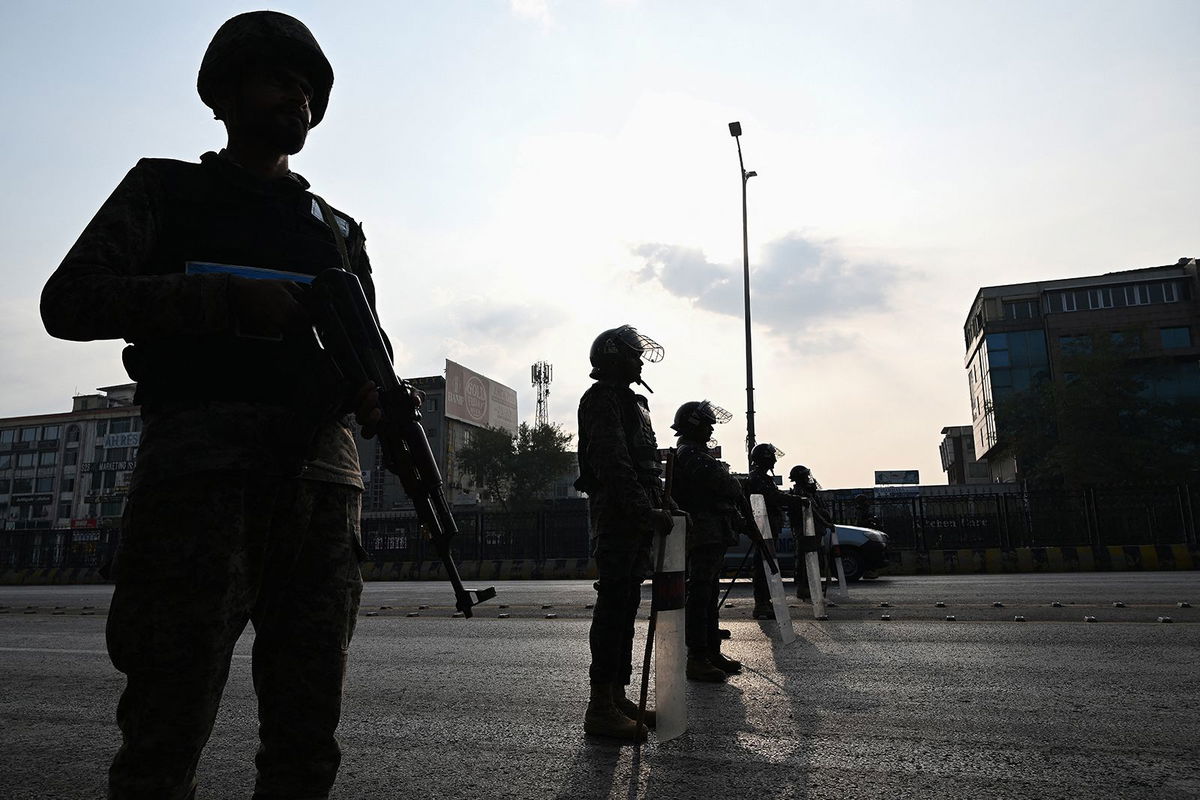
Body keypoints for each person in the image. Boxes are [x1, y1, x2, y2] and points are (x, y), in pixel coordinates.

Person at [40, 12, 381, 799]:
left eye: (308, 88)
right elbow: (71, 301)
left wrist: (370, 392)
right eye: (277, 79)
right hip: (200, 484)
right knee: (165, 730)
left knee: (306, 736)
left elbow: (371, 349)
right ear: (225, 95)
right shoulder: (166, 190)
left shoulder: (335, 229)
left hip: (323, 492)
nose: (296, 97)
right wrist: (226, 300)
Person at [575, 325, 677, 741]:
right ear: (615, 358)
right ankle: (599, 706)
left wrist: (663, 505)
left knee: (628, 606)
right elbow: (613, 465)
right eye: (633, 355)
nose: (639, 362)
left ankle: (617, 695)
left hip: (635, 518)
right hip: (618, 518)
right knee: (614, 607)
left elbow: (643, 466)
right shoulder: (600, 400)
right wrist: (644, 510)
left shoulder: (632, 402)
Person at [671, 400, 746, 682]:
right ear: (693, 425)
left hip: (710, 531)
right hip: (702, 532)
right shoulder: (690, 453)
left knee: (709, 593)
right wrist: (734, 484)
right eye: (706, 423)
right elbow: (725, 484)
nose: (711, 427)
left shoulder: (695, 453)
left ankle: (710, 651)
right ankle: (698, 657)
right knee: (701, 594)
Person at [746, 442, 786, 619]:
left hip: (769, 529)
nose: (775, 461)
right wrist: (794, 500)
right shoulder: (757, 478)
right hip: (763, 529)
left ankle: (765, 602)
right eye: (772, 457)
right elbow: (773, 497)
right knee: (762, 567)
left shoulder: (762, 477)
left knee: (766, 567)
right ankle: (761, 604)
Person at [789, 464, 835, 600]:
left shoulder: (809, 492)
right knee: (805, 561)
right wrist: (826, 523)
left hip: (814, 531)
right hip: (805, 532)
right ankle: (804, 588)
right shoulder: (800, 493)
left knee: (814, 559)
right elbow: (813, 512)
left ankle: (810, 586)